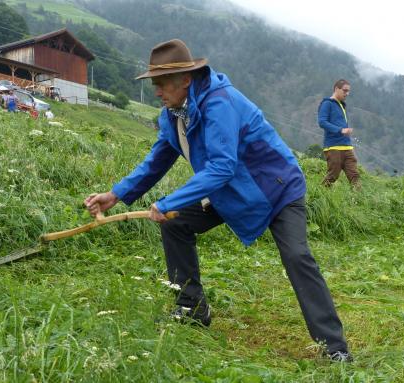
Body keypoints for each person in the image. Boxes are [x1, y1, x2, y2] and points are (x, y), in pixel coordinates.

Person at [84, 39, 352, 362]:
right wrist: (116, 194)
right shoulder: (172, 115)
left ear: (186, 79)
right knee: (177, 224)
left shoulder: (218, 103)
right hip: (231, 191)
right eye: (154, 84)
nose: (157, 91)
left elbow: (222, 166)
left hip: (276, 188)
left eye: (162, 83)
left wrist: (167, 202)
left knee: (297, 257)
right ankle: (192, 308)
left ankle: (335, 348)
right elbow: (156, 161)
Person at [317, 79, 360, 187]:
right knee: (333, 175)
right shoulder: (327, 103)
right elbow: (322, 122)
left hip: (347, 147)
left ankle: (358, 201)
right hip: (333, 147)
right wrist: (340, 130)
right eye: (345, 90)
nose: (347, 93)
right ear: (336, 89)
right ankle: (317, 197)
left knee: (354, 175)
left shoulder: (341, 105)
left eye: (348, 91)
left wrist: (346, 131)